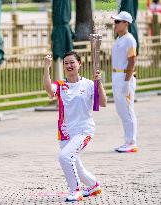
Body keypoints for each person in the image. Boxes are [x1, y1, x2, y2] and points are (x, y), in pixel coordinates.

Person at [43, 51, 107, 202]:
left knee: (65, 157)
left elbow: (103, 103)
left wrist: (99, 83)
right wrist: (46, 68)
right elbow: (48, 89)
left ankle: (75, 191)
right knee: (76, 165)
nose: (69, 65)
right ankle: (93, 186)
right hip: (65, 133)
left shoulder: (89, 84)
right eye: (66, 63)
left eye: (72, 62)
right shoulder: (61, 85)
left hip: (84, 130)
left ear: (80, 64)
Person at [111, 11, 138, 153]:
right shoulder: (119, 39)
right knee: (121, 111)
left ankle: (131, 142)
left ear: (125, 23)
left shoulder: (129, 39)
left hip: (124, 77)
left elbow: (132, 61)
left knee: (127, 110)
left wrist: (127, 82)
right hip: (117, 76)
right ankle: (127, 141)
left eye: (117, 22)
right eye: (115, 21)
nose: (114, 24)